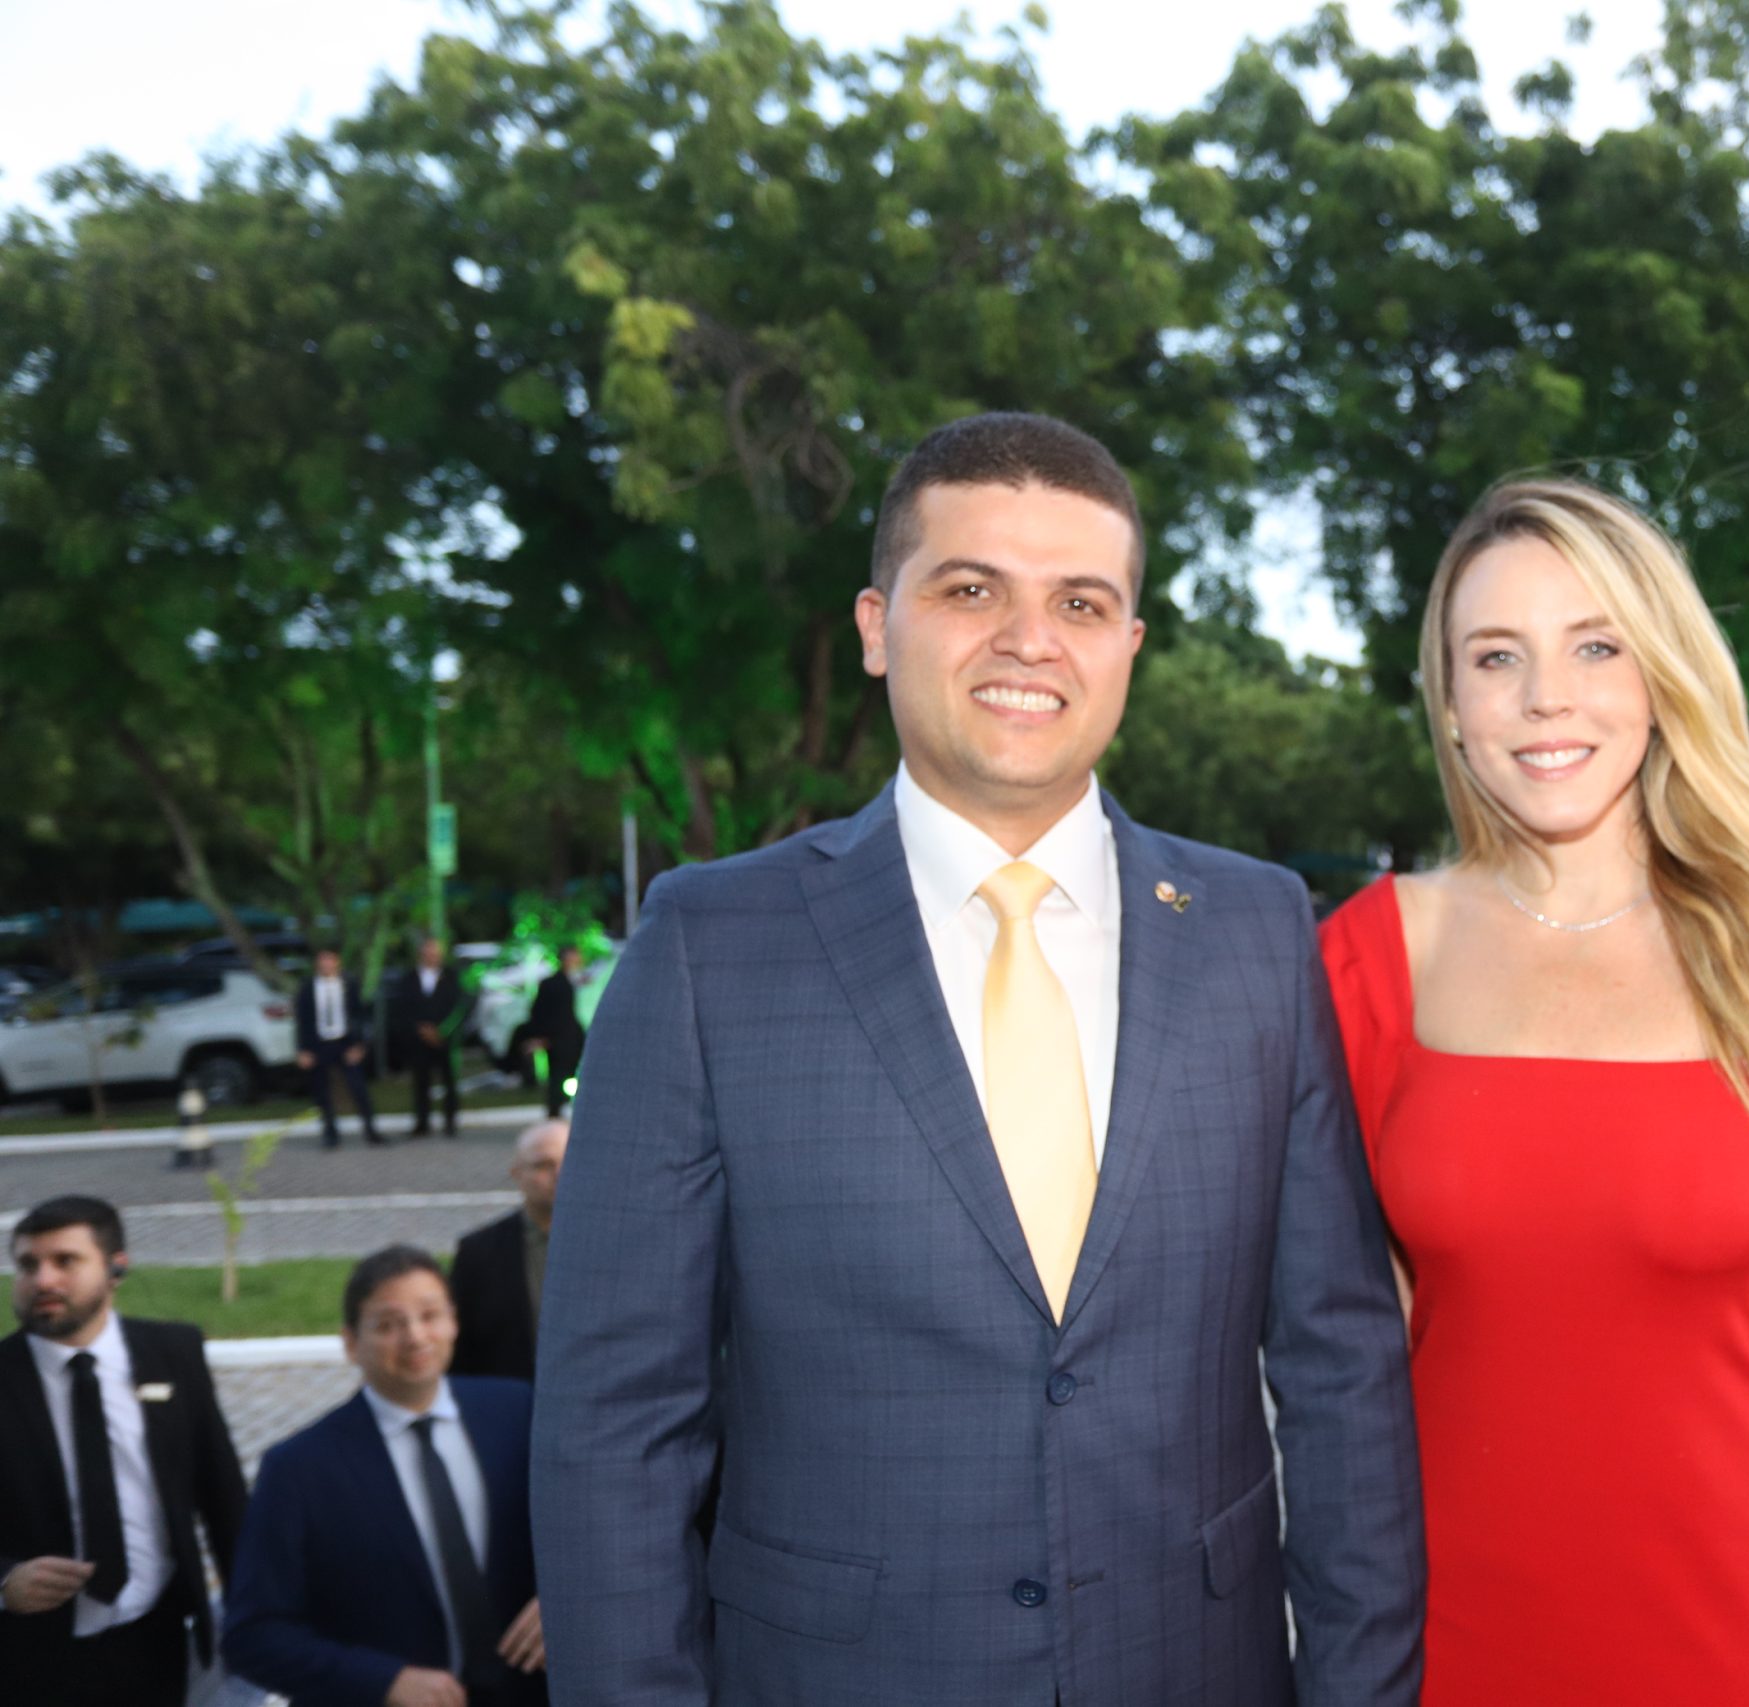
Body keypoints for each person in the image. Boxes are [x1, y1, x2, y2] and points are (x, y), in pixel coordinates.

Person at [532, 412, 1424, 1706]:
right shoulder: (707, 946)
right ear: (876, 624)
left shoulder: (1256, 929)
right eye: (970, 590)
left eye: (1080, 602)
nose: (1029, 639)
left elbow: (1341, 1371)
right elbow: (615, 1423)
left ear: (1128, 646)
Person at [1319, 478, 1749, 1707]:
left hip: (1738, 1636)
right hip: (1445, 1639)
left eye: (1595, 646)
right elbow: (1343, 1351)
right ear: (1450, 707)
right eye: (1497, 656)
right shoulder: (1370, 959)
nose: (1546, 696)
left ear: (1663, 675)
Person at [224, 1245, 546, 1707]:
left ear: (454, 1322)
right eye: (389, 1324)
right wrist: (383, 1681)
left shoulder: (519, 1413)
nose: (415, 1337)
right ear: (351, 1343)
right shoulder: (298, 1469)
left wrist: (565, 1600)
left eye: (430, 1315)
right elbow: (252, 1635)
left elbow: (592, 1530)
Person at [1, 1196, 248, 1707]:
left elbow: (222, 1495)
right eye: (28, 1265)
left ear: (116, 1268)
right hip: (27, 1659)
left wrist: (258, 1616)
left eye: (65, 1261)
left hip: (157, 1637)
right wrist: (5, 1582)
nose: (43, 1280)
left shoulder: (173, 1352)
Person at [450, 1119, 567, 1384]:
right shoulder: (478, 1252)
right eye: (543, 1165)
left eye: (569, 1162)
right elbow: (461, 1348)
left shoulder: (616, 1246)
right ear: (517, 1173)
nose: (559, 1174)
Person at [295, 947, 382, 1147]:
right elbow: (302, 1020)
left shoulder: (349, 984)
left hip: (345, 1043)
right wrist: (302, 1049)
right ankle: (330, 1133)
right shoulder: (307, 987)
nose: (326, 964)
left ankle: (371, 1130)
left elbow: (360, 1015)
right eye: (322, 959)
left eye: (330, 959)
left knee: (358, 1088)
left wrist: (360, 1045)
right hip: (319, 1044)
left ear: (337, 962)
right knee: (321, 1091)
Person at [394, 937, 469, 1138]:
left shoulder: (452, 977)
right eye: (428, 952)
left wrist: (442, 1030)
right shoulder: (409, 978)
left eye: (435, 953)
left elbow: (459, 1007)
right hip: (418, 1039)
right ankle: (422, 1122)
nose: (432, 957)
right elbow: (402, 1008)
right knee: (421, 1081)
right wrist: (421, 1029)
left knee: (449, 1081)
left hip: (445, 1038)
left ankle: (450, 1122)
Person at [524, 947, 587, 1119]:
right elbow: (539, 1011)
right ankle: (555, 1114)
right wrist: (540, 1036)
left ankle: (568, 1109)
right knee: (558, 1077)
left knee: (573, 1075)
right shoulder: (551, 984)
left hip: (575, 1038)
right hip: (558, 1039)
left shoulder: (579, 982)